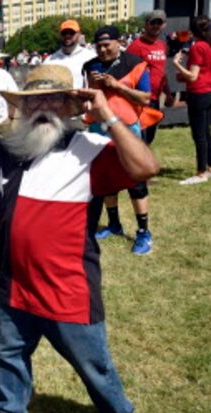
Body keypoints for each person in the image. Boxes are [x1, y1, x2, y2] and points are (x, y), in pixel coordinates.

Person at [0, 64, 159, 413]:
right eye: (34, 99)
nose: (43, 106)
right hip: (15, 281)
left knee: (91, 361)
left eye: (54, 97)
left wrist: (107, 113)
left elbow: (146, 168)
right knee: (7, 353)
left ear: (71, 104)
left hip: (67, 286)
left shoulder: (90, 149)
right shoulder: (6, 150)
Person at [84, 25, 156, 255]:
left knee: (135, 179)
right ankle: (114, 224)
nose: (103, 50)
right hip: (99, 128)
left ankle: (144, 231)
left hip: (127, 129)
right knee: (106, 179)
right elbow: (88, 99)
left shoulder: (135, 63)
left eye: (107, 45)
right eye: (99, 46)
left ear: (119, 42)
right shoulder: (90, 66)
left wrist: (118, 86)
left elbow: (145, 98)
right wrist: (93, 88)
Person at [173, 15, 211, 185]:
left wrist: (177, 64)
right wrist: (183, 76)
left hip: (199, 94)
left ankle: (201, 172)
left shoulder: (198, 47)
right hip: (210, 91)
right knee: (207, 132)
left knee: (199, 135)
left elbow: (193, 76)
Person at [126, 10, 174, 146]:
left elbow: (161, 72)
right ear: (146, 24)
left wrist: (168, 94)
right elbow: (127, 72)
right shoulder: (136, 46)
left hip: (155, 99)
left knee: (150, 137)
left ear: (164, 25)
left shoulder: (162, 45)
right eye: (153, 22)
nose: (156, 26)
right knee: (140, 138)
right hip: (140, 100)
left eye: (160, 23)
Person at [46, 20, 98, 89]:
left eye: (71, 33)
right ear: (60, 35)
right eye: (64, 33)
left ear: (79, 34)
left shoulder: (90, 57)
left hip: (82, 98)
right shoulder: (49, 60)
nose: (67, 36)